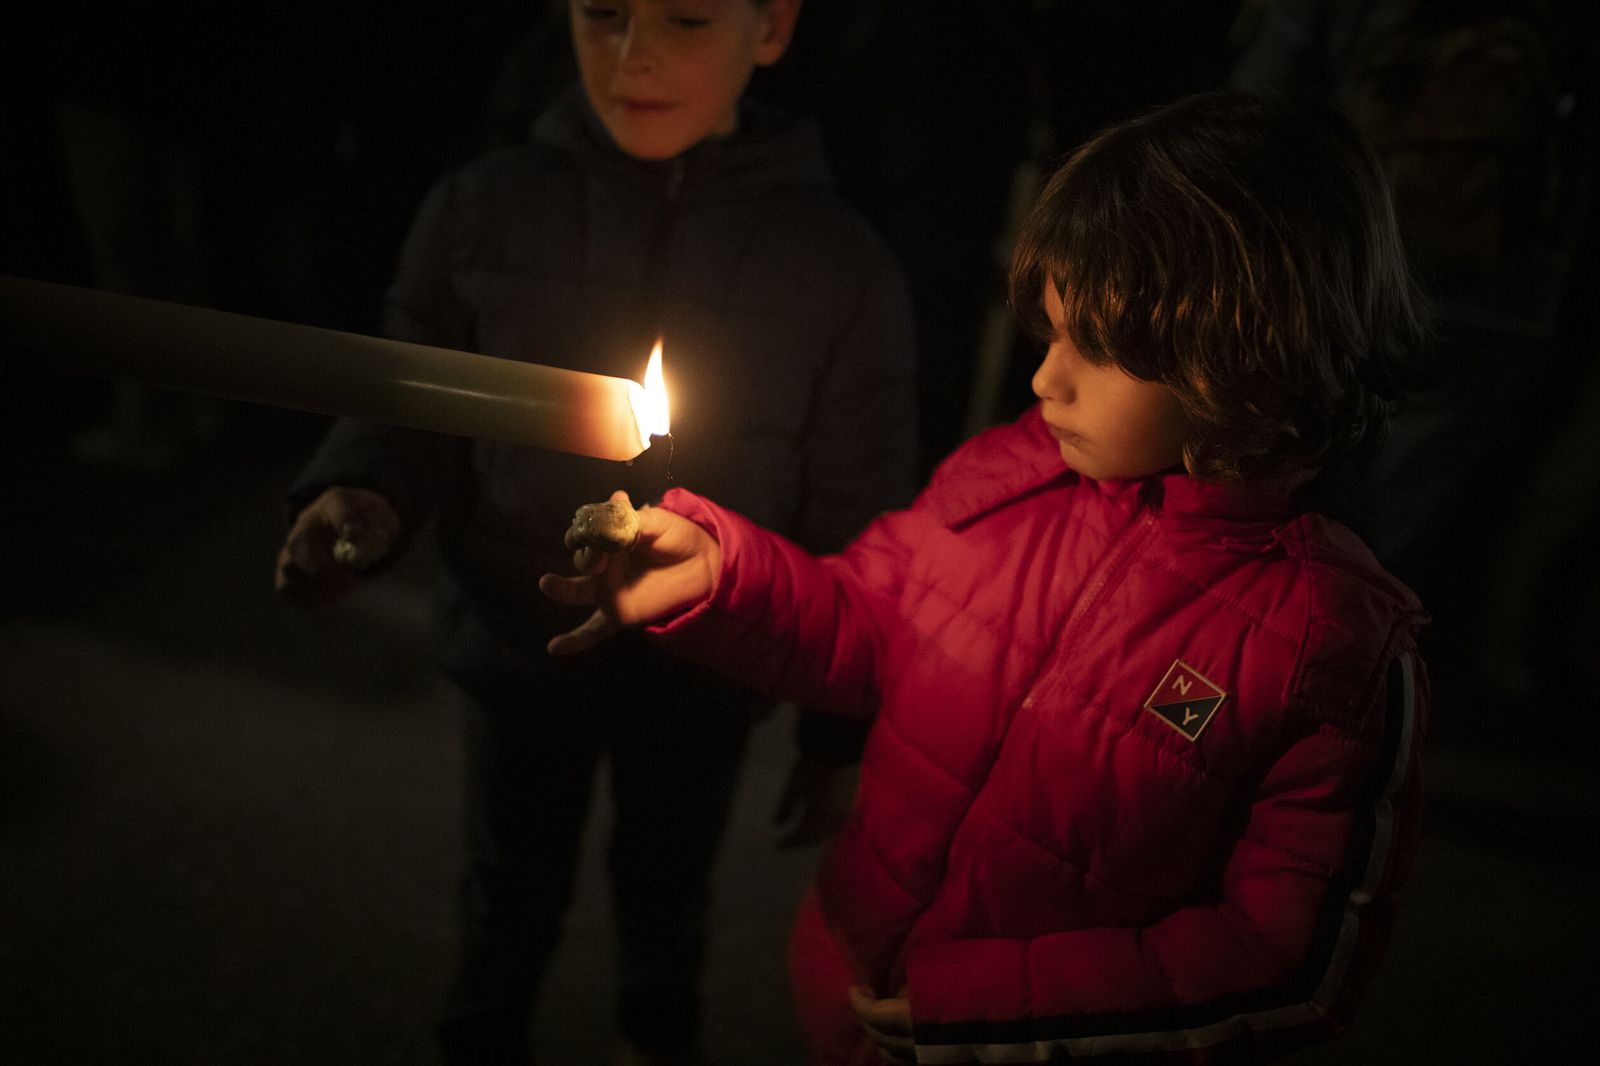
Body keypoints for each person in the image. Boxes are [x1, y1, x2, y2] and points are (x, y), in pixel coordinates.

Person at [540, 89, 1432, 1064]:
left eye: (1092, 345)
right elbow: (868, 625)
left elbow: (1285, 962)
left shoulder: (1331, 649)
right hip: (855, 978)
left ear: (1241, 358)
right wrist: (723, 574)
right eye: (1049, 332)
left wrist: (992, 1003)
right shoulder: (1013, 474)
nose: (1045, 378)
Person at [273, 1, 918, 1063]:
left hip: (710, 671)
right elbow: (405, 410)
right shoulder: (481, 211)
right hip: (515, 645)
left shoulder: (839, 265)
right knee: (503, 895)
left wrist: (839, 729)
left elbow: (862, 505)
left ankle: (656, 1036)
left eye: (686, 17)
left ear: (771, 28)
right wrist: (361, 499)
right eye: (602, 14)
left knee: (667, 902)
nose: (633, 55)